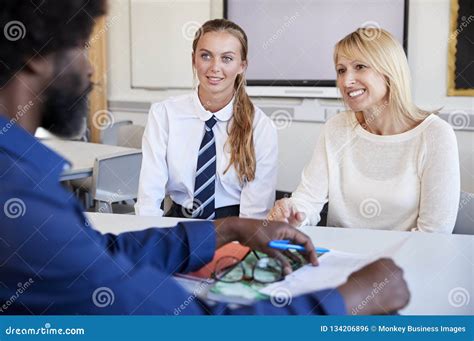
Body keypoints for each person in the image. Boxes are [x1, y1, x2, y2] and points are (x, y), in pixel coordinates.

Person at [0, 1, 409, 315]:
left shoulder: (22, 187)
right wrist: (345, 300)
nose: (91, 71)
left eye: (227, 58)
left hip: (223, 235)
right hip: (184, 233)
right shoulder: (22, 201)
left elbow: (104, 251)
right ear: (37, 53)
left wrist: (226, 229)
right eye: (79, 47)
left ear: (242, 66)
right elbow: (192, 324)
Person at [269, 28, 460, 233]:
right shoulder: (337, 128)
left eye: (360, 66)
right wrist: (292, 213)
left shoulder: (435, 135)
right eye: (341, 70)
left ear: (389, 71)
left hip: (404, 262)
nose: (346, 81)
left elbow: (435, 233)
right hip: (338, 259)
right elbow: (308, 198)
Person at [135, 19, 278, 220]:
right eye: (206, 56)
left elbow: (255, 213)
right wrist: (148, 239)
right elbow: (149, 195)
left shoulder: (260, 127)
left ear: (242, 66)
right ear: (194, 60)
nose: (214, 67)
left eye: (227, 58)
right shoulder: (164, 114)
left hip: (234, 226)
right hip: (179, 221)